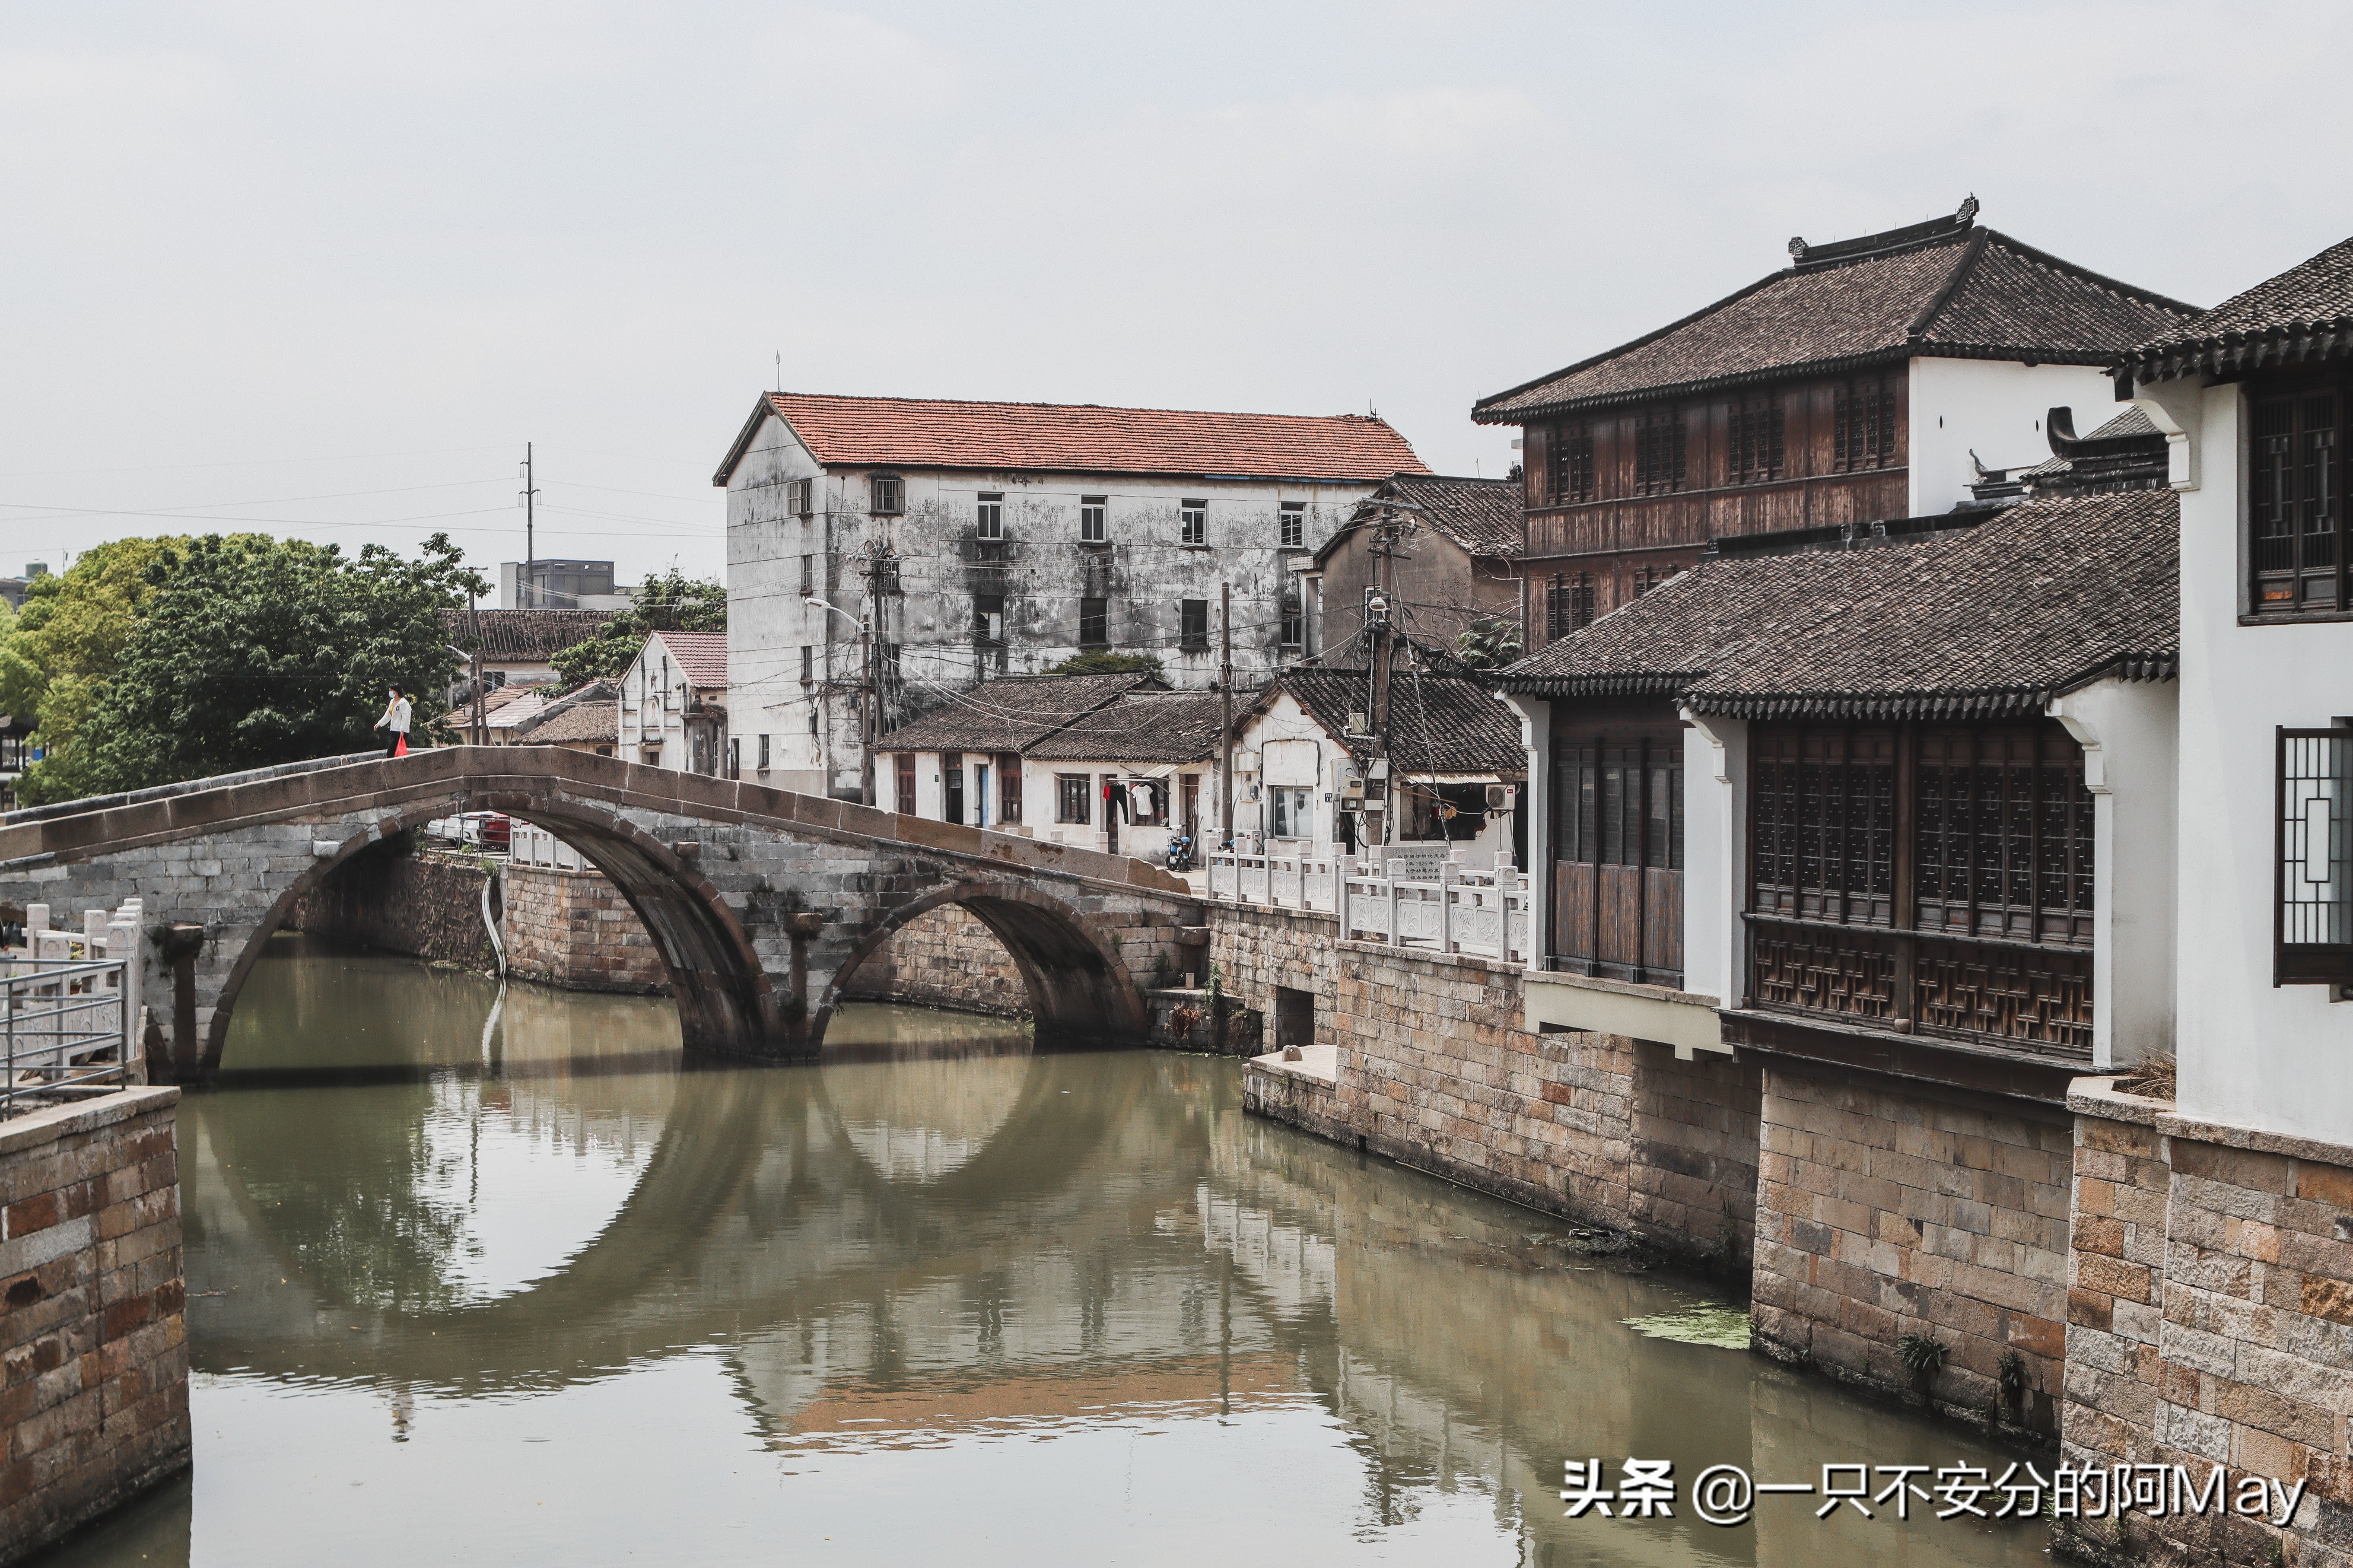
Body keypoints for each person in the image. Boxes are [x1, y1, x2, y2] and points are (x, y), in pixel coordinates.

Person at [373, 686, 412, 758]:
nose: (390, 693)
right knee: (394, 753)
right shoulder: (392, 702)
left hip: (401, 731)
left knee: (391, 752)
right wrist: (380, 724)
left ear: (396, 692)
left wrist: (402, 728)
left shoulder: (404, 703)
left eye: (391, 691)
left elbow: (406, 717)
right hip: (394, 729)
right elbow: (388, 715)